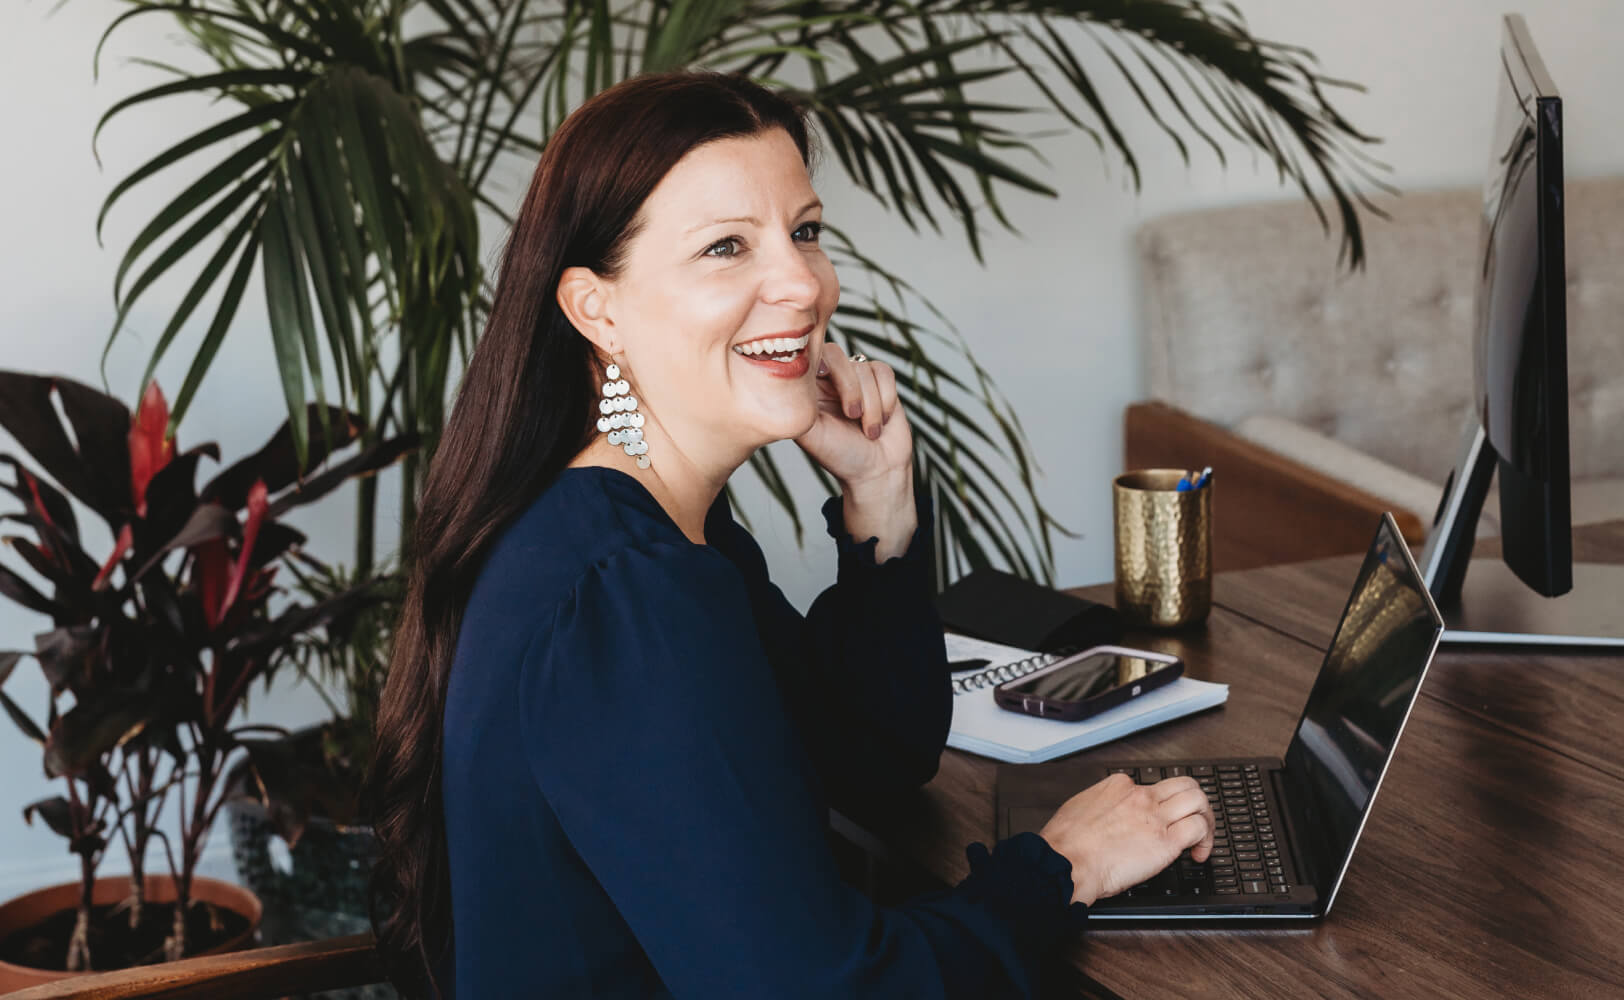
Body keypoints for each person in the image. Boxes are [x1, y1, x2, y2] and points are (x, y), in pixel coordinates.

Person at [368, 69, 1214, 1000]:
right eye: (727, 247)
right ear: (595, 309)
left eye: (805, 232)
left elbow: (874, 761)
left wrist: (880, 500)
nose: (802, 284)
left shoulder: (653, 531)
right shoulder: (627, 591)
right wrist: (1061, 870)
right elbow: (826, 988)